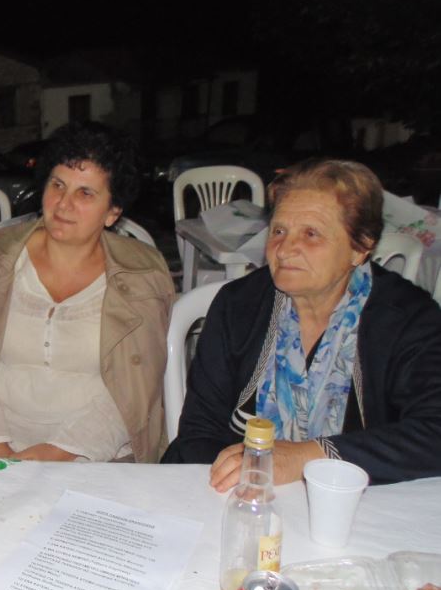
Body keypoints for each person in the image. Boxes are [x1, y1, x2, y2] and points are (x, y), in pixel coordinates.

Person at [163, 158, 441, 487]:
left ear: (361, 247)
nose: (284, 250)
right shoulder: (237, 306)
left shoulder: (408, 319)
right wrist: (248, 480)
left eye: (311, 234)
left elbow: (433, 432)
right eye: (279, 231)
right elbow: (199, 432)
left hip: (355, 502)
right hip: (242, 495)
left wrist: (308, 457)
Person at [0, 121, 175, 463]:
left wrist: (56, 453)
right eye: (58, 184)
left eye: (85, 193)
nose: (63, 203)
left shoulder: (142, 276)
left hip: (95, 451)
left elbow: (136, 387)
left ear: (112, 212)